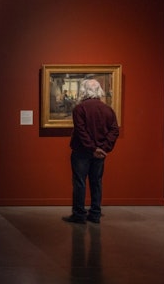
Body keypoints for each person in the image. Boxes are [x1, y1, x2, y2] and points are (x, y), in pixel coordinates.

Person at [62, 79, 119, 224]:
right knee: (96, 182)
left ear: (84, 91)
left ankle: (79, 215)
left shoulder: (79, 109)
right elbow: (114, 130)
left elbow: (81, 132)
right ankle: (95, 214)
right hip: (100, 153)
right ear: (99, 90)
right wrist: (103, 148)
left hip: (81, 151)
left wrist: (93, 148)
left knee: (79, 182)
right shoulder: (108, 109)